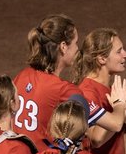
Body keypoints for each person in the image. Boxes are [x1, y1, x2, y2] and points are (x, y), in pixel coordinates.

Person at [13, 14, 89, 145]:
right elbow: (93, 128)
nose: (77, 48)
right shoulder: (65, 90)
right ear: (63, 46)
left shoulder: (21, 76)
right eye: (76, 42)